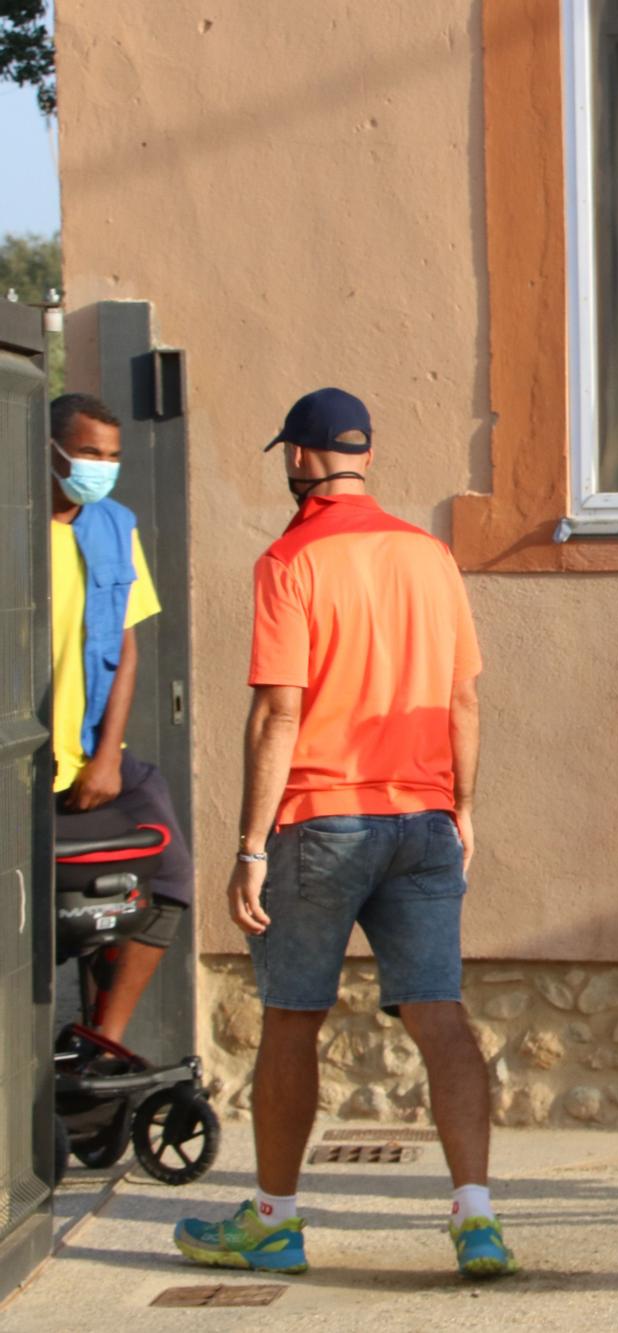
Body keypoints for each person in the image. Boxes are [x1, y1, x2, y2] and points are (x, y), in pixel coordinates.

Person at [172, 388, 518, 1278]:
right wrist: (462, 808)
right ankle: (476, 1218)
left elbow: (277, 714)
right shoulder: (430, 555)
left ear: (298, 456)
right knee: (440, 1015)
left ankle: (275, 1222)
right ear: (363, 452)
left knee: (292, 1020)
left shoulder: (289, 561)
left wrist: (250, 846)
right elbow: (464, 698)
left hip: (320, 821)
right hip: (425, 818)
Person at [47, 393, 194, 1045]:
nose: (100, 467)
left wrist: (108, 756)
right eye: (86, 453)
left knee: (171, 873)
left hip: (94, 756)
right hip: (29, 763)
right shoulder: (16, 522)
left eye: (111, 456)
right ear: (46, 447)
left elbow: (127, 645)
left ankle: (102, 1037)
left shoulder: (115, 524)